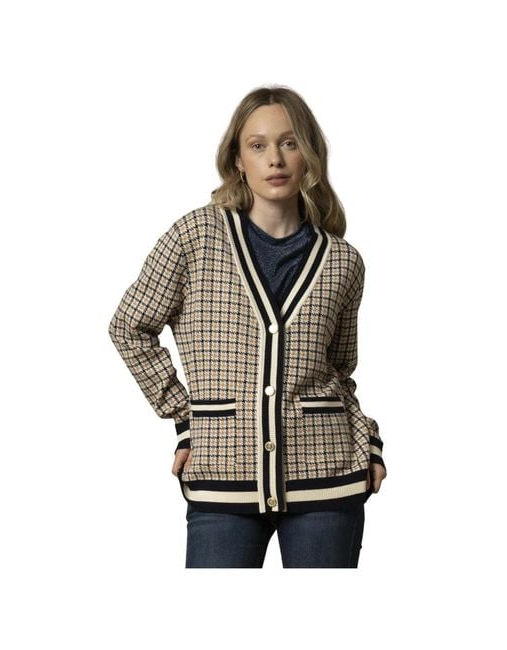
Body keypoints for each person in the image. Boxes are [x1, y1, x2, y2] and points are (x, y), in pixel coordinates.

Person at [108, 85, 387, 568]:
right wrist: (187, 418)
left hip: (329, 478)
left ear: (308, 154)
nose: (274, 159)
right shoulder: (195, 237)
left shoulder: (344, 261)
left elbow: (340, 372)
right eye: (258, 145)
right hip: (222, 475)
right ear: (238, 160)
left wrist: (370, 441)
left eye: (289, 143)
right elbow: (129, 326)